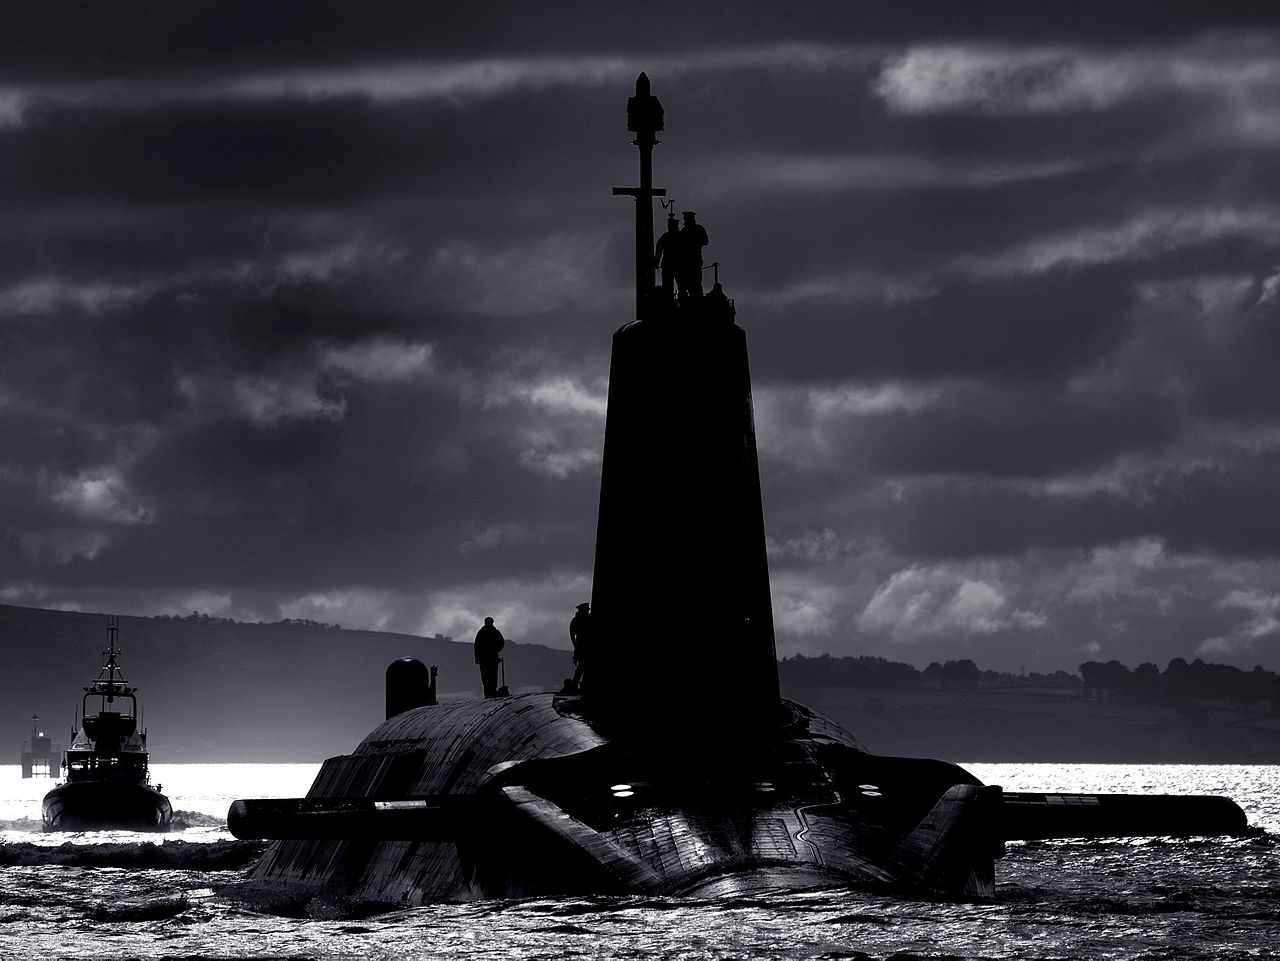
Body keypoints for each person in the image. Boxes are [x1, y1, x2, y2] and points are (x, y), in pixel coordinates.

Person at [674, 210, 709, 301]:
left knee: (694, 285)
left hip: (692, 261)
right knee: (689, 286)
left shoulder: (689, 230)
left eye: (686, 219)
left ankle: (692, 303)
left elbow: (705, 241)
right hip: (689, 262)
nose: (685, 221)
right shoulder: (689, 230)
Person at [474, 616, 505, 698]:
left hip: (486, 658)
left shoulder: (482, 632)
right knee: (490, 676)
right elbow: (477, 646)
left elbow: (476, 646)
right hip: (489, 658)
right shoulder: (494, 632)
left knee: (487, 677)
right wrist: (496, 651)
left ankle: (489, 694)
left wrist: (477, 657)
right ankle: (490, 694)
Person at [653, 212, 680, 301]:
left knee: (668, 286)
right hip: (678, 265)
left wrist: (656, 263)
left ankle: (668, 300)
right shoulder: (681, 236)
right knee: (681, 285)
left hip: (668, 265)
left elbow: (659, 250)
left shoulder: (666, 236)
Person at [569, 602, 593, 691]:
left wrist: (576, 647)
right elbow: (572, 635)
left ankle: (577, 685)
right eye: (586, 610)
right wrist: (576, 647)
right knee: (582, 667)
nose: (587, 611)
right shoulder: (578, 620)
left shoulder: (576, 620)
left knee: (581, 667)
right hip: (583, 647)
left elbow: (572, 636)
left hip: (581, 647)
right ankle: (577, 685)